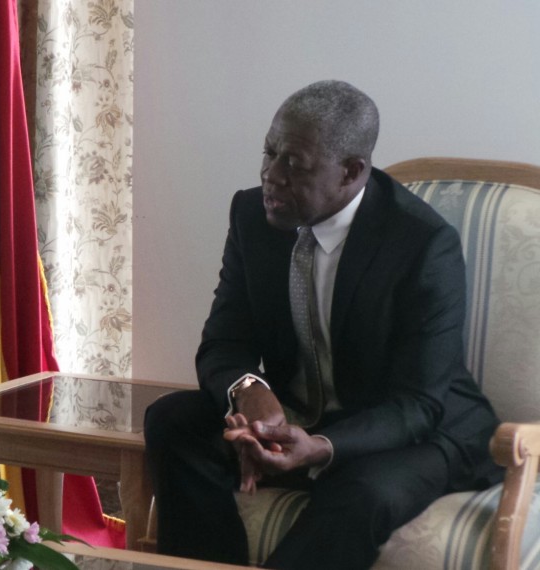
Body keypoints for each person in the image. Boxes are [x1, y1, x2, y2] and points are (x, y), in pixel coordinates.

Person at [144, 80, 503, 569]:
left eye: (294, 163)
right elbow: (224, 342)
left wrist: (321, 448)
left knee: (361, 490)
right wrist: (249, 391)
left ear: (351, 172)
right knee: (172, 421)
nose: (271, 175)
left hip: (417, 431)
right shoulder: (253, 214)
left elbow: (418, 404)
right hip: (301, 417)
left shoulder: (421, 244)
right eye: (269, 153)